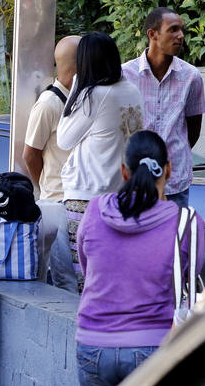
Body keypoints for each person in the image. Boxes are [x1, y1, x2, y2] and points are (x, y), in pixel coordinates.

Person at [75, 131, 193, 386]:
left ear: (124, 172)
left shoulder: (94, 211)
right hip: (153, 347)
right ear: (169, 169)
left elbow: (87, 268)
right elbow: (193, 284)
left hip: (93, 348)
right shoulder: (185, 223)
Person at [57, 32, 143, 292]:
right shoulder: (132, 90)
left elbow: (63, 138)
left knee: (89, 277)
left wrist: (76, 87)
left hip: (87, 197)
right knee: (116, 275)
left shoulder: (94, 95)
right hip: (124, 195)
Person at [121, 7, 205, 210]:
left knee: (174, 240)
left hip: (174, 180)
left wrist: (173, 154)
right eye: (173, 30)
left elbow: (193, 130)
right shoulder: (125, 75)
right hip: (133, 180)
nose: (181, 36)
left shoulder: (191, 77)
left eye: (182, 30)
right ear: (153, 34)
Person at [23, 35, 81, 291]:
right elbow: (30, 154)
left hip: (78, 201)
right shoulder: (49, 103)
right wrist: (45, 187)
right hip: (58, 202)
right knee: (65, 278)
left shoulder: (83, 98)